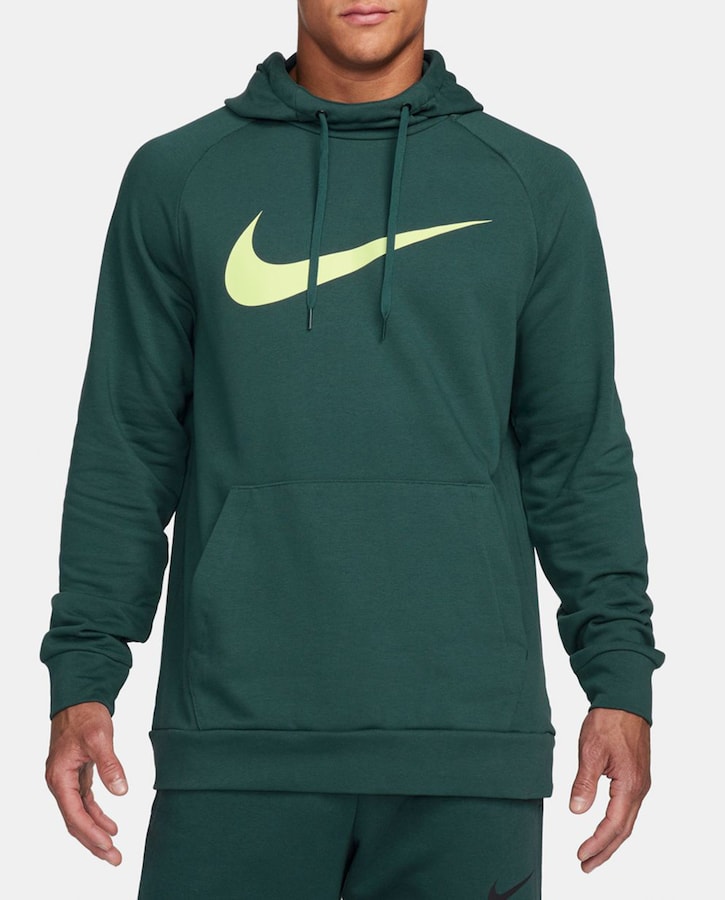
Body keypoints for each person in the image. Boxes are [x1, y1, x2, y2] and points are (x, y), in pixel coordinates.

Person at [40, 2, 665, 897]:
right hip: (236, 741)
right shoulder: (180, 177)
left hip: (465, 744)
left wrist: (619, 680)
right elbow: (126, 447)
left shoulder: (531, 184)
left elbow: (576, 457)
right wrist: (83, 673)